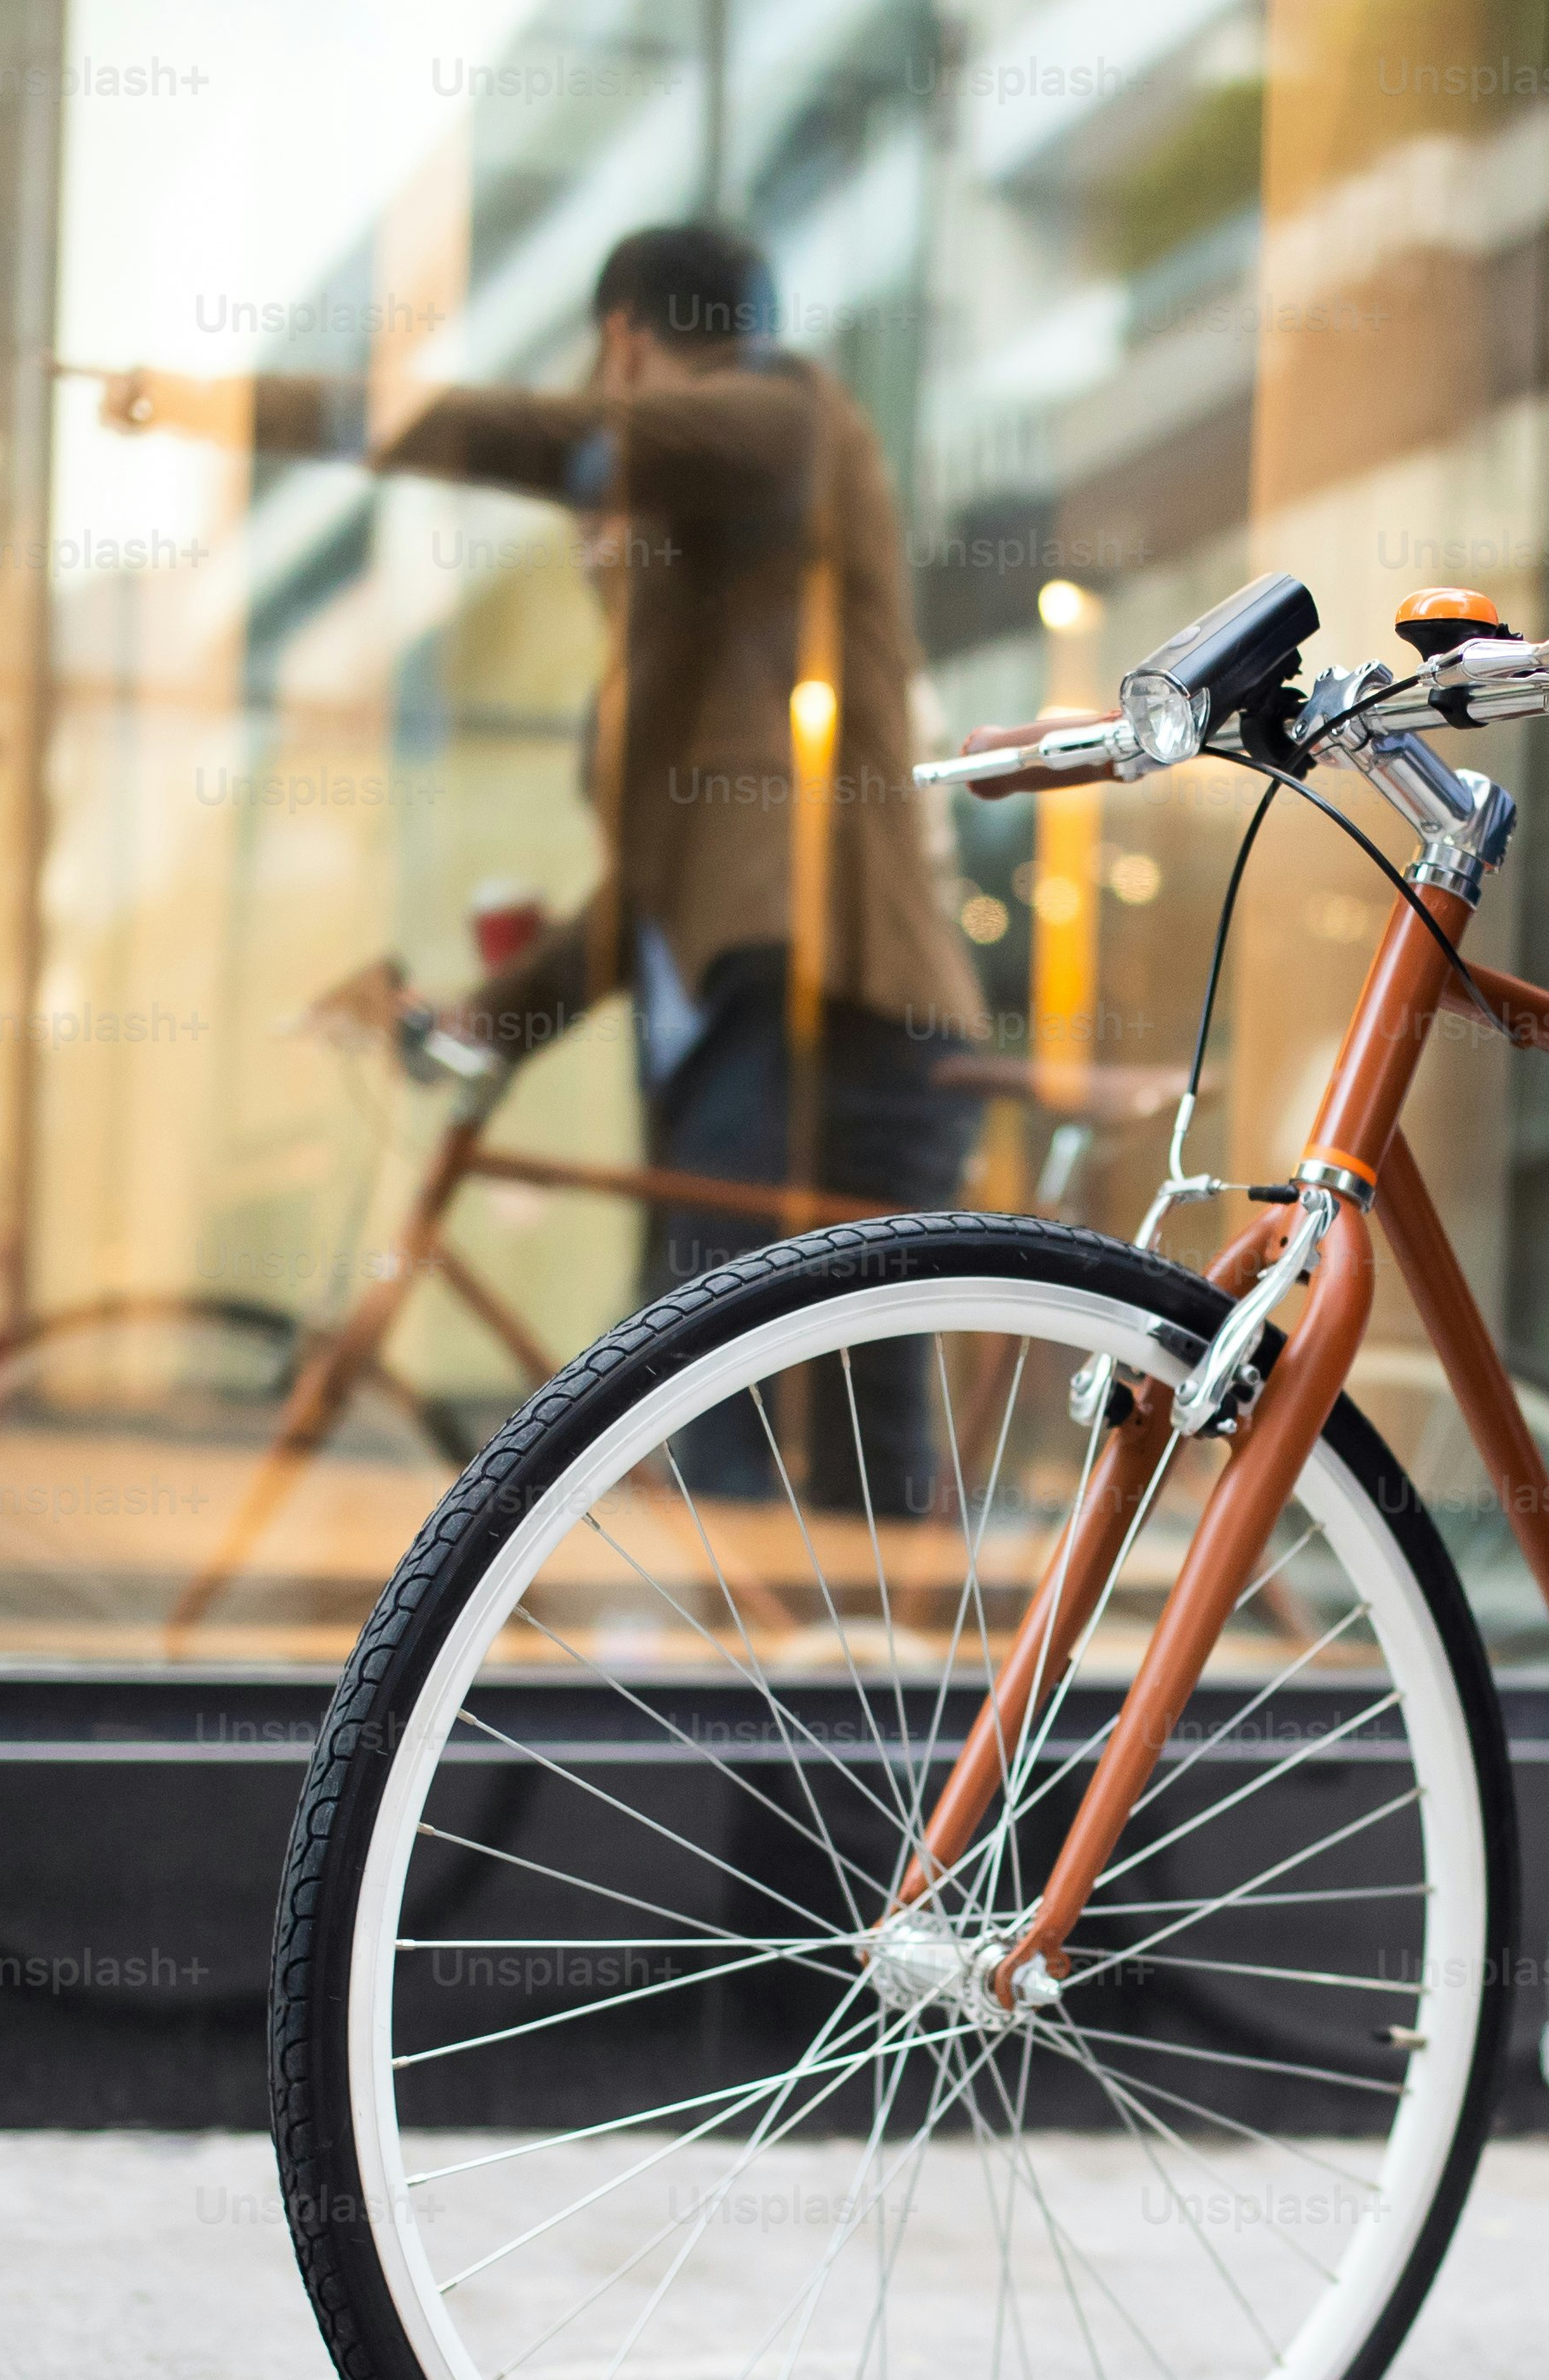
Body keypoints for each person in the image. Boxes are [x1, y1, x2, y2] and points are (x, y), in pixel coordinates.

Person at [113, 224, 981, 1503]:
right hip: (756, 1030)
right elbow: (648, 901)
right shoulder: (709, 662)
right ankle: (860, 1692)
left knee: (764, 1414)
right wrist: (485, 1018)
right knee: (758, 1420)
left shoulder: (791, 419)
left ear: (625, 343)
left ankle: (865, 1698)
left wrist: (239, 407)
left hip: (830, 1025)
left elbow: (541, 436)